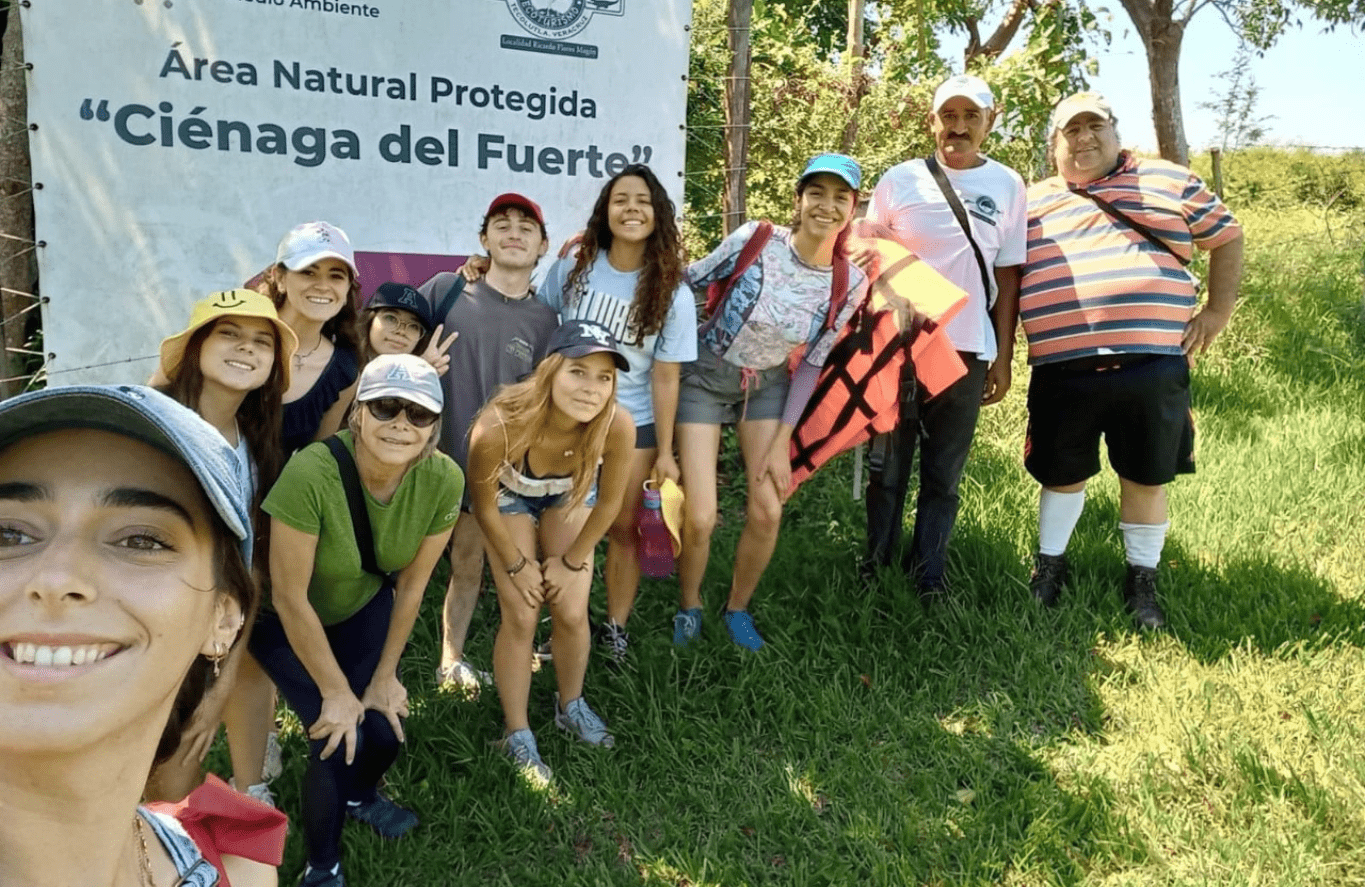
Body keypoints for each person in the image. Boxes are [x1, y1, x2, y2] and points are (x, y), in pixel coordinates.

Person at [0, 384, 285, 887]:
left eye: (140, 539)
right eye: (9, 535)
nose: (57, 578)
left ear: (223, 618)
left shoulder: (239, 871)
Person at [1019, 92, 1244, 628]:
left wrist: (1217, 311)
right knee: (1060, 473)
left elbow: (1228, 236)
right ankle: (1049, 569)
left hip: (1151, 364)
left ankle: (1142, 583)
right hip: (1062, 367)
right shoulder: (1030, 200)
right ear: (1054, 145)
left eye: (1094, 126)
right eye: (1070, 131)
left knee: (1146, 476)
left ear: (1116, 131)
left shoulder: (1168, 181)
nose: (1084, 139)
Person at [249, 353, 463, 887]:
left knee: (383, 730)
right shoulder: (312, 472)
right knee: (335, 733)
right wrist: (335, 689)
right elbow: (289, 595)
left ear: (434, 426)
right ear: (359, 413)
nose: (400, 424)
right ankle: (323, 867)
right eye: (386, 407)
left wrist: (385, 675)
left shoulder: (444, 479)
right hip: (281, 620)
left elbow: (412, 585)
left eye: (417, 414)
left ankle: (361, 796)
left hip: (363, 607)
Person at [675, 153, 868, 651]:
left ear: (852, 208)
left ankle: (737, 608)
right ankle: (689, 603)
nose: (827, 206)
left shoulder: (849, 283)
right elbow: (687, 281)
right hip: (704, 375)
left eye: (840, 197)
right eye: (817, 193)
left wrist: (783, 439)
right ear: (799, 199)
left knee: (767, 511)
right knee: (700, 516)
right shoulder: (756, 240)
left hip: (767, 389)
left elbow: (811, 362)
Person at [860, 74, 1028, 597]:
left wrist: (1001, 356)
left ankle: (928, 575)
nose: (958, 128)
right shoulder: (899, 180)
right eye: (948, 117)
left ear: (989, 121)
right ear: (932, 121)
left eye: (970, 117)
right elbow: (867, 256)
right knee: (887, 466)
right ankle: (874, 566)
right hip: (896, 348)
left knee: (943, 473)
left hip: (966, 348)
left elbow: (1007, 274)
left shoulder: (1007, 185)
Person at [538, 165, 696, 663]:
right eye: (621, 199)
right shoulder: (572, 268)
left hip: (635, 427)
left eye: (643, 201)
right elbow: (541, 327)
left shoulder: (673, 290)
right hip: (568, 421)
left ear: (659, 215)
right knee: (565, 525)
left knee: (625, 529)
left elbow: (665, 376)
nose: (632, 209)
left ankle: (614, 628)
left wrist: (666, 453)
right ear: (605, 210)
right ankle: (566, 622)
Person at [467, 319, 635, 782]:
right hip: (508, 497)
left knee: (572, 607)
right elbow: (482, 508)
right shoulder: (499, 424)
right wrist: (518, 565)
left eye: (604, 377)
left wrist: (573, 560)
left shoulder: (616, 424)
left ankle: (571, 704)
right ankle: (516, 731)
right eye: (578, 372)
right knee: (521, 612)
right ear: (551, 371)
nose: (591, 388)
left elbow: (611, 504)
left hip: (568, 494)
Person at [146, 289, 296, 807]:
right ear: (196, 349)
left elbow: (250, 565)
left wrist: (224, 675)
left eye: (261, 341)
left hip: (224, 612)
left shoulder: (256, 439)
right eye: (228, 334)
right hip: (157, 616)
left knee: (248, 666)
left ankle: (250, 792)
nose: (245, 349)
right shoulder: (155, 425)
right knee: (166, 778)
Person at [417, 194, 560, 696]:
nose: (513, 232)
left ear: (543, 246)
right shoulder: (445, 291)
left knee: (472, 561)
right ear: (484, 239)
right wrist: (417, 365)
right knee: (399, 568)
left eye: (527, 226)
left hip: (500, 474)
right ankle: (385, 663)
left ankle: (459, 659)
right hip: (423, 462)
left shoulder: (547, 321)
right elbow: (386, 339)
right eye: (502, 223)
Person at [261, 221, 363, 456]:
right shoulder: (234, 336)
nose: (323, 286)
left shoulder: (344, 371)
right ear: (280, 278)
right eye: (308, 272)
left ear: (348, 288)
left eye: (336, 276)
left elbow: (312, 461)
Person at [356, 281, 457, 375]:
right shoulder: (343, 361)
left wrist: (417, 381)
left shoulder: (421, 373)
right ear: (370, 319)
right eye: (391, 318)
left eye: (413, 326)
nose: (401, 331)